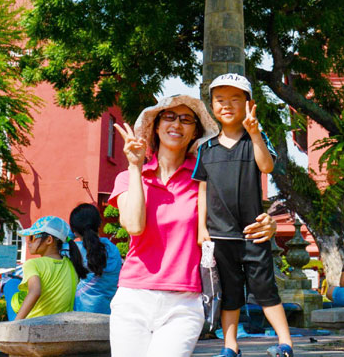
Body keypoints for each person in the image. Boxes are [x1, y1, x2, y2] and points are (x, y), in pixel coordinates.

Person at [110, 94, 277, 357]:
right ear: (156, 126)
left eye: (186, 119)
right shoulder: (129, 176)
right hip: (134, 295)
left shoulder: (205, 175)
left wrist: (268, 224)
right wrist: (134, 167)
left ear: (195, 133)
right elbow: (134, 226)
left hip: (185, 301)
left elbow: (237, 210)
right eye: (169, 117)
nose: (177, 124)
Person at [195, 74, 293, 357]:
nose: (227, 105)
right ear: (212, 106)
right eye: (220, 100)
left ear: (249, 104)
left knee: (265, 288)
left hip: (253, 232)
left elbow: (267, 167)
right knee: (229, 293)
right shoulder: (206, 148)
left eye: (235, 99)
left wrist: (254, 133)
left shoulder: (256, 141)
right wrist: (202, 227)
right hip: (219, 234)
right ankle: (230, 346)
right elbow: (202, 188)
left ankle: (285, 342)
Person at [12, 216, 89, 320]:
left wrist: (14, 325)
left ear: (49, 240)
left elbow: (35, 292)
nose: (28, 242)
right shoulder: (72, 265)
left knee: (10, 285)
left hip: (34, 324)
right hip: (61, 325)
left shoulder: (32, 264)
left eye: (32, 237)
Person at [70, 203, 123, 314]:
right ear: (99, 223)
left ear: (75, 231)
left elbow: (60, 242)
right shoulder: (113, 249)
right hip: (109, 311)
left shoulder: (75, 249)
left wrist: (70, 235)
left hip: (82, 309)